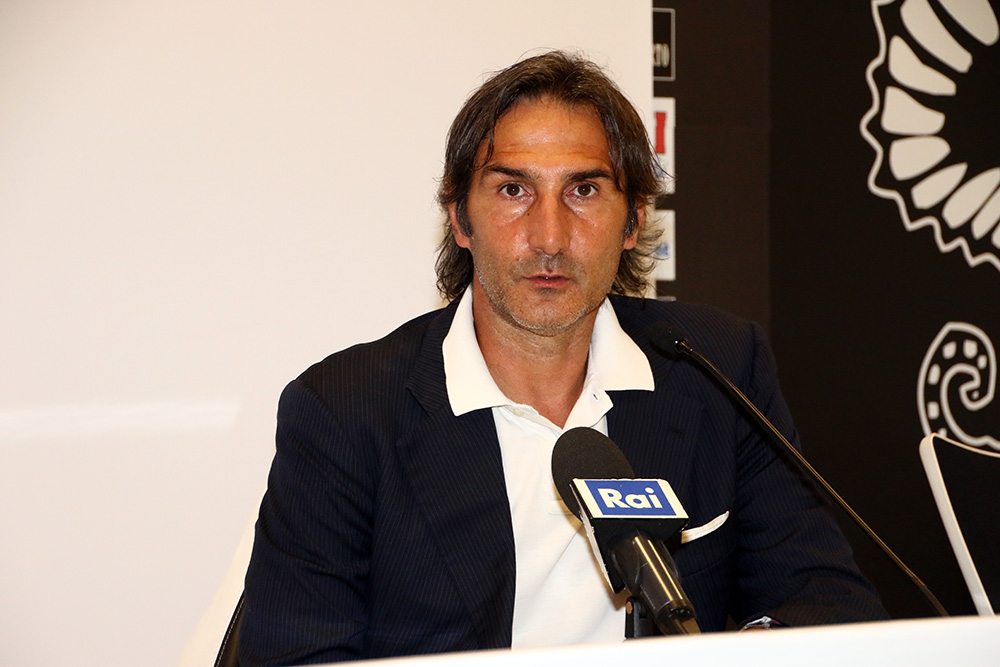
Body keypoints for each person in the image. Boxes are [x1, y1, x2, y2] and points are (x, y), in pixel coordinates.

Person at [239, 51, 887, 666]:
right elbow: (297, 655)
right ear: (461, 219)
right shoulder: (347, 409)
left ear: (633, 220)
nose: (549, 237)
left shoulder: (715, 367)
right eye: (513, 190)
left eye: (583, 190)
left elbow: (829, 602)